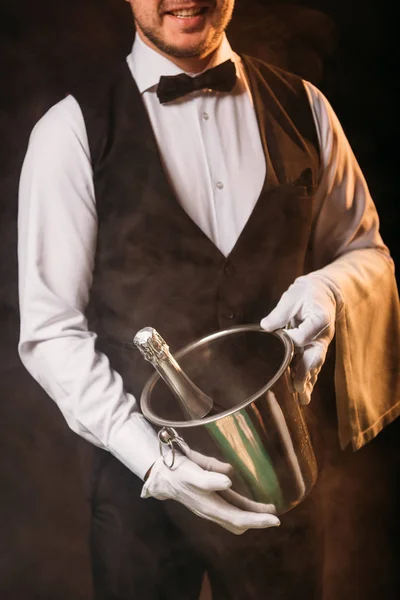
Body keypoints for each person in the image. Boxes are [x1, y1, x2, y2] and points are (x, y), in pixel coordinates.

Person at [18, 1, 400, 599]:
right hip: (138, 495)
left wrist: (328, 287)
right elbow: (51, 331)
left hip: (285, 479)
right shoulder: (68, 132)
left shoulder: (308, 109)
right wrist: (153, 461)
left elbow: (367, 253)